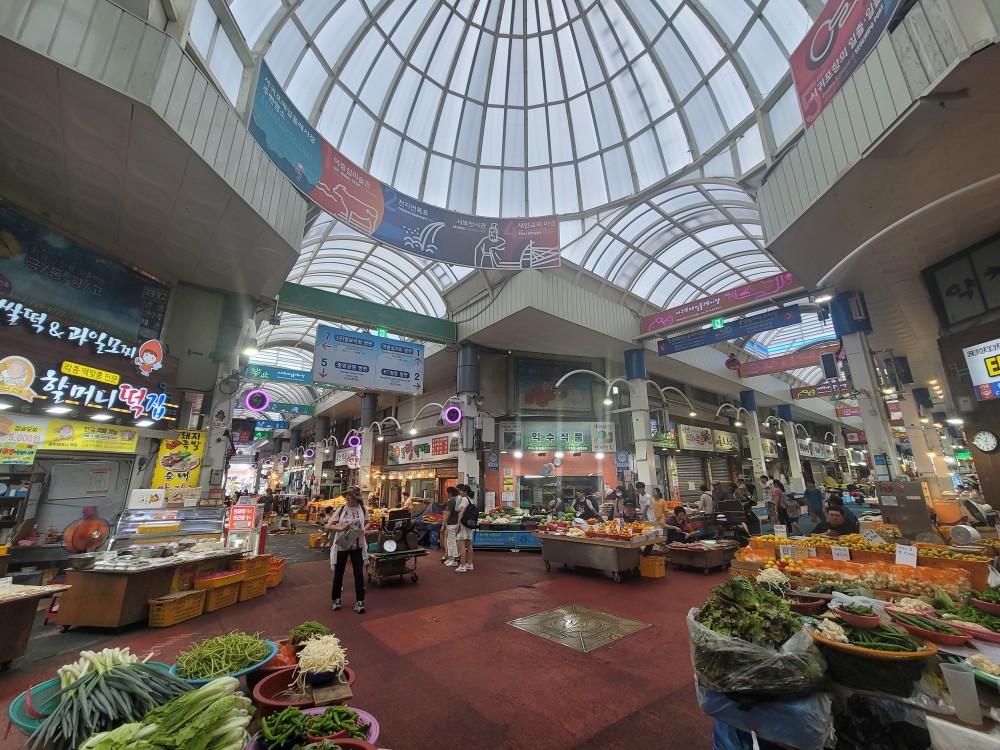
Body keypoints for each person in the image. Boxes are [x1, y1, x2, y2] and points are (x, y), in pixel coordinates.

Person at [326, 490, 369, 614]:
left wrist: (364, 529)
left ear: (356, 497)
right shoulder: (341, 509)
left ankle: (360, 601)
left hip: (357, 545)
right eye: (347, 496)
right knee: (339, 573)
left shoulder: (362, 509)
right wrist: (340, 528)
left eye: (350, 496)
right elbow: (329, 525)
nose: (347, 498)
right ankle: (336, 599)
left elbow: (367, 522)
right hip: (343, 545)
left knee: (358, 573)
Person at [454, 484, 477, 572]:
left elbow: (462, 511)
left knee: (462, 544)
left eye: (461, 491)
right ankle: (470, 564)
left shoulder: (464, 499)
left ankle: (462, 565)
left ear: (465, 492)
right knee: (469, 544)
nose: (460, 492)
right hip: (469, 524)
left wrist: (458, 523)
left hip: (464, 524)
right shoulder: (471, 500)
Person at [440, 486, 460, 566]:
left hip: (451, 523)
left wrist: (443, 523)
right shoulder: (457, 499)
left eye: (447, 492)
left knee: (452, 542)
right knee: (450, 541)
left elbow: (448, 513)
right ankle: (451, 558)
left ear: (450, 493)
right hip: (454, 523)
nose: (446, 494)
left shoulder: (451, 501)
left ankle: (454, 559)